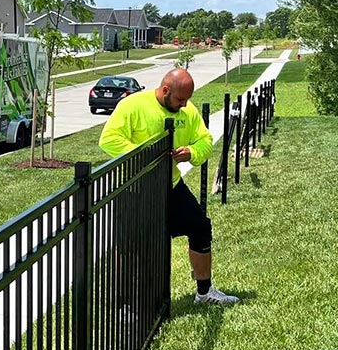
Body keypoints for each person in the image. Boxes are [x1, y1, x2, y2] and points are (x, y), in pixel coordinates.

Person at [99, 68, 239, 305]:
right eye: (180, 99)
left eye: (187, 100)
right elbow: (109, 140)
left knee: (200, 227)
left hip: (170, 186)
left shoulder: (187, 110)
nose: (184, 105)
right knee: (129, 247)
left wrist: (192, 152)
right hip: (136, 189)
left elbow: (205, 140)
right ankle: (122, 303)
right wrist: (148, 154)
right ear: (165, 90)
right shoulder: (132, 106)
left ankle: (204, 293)